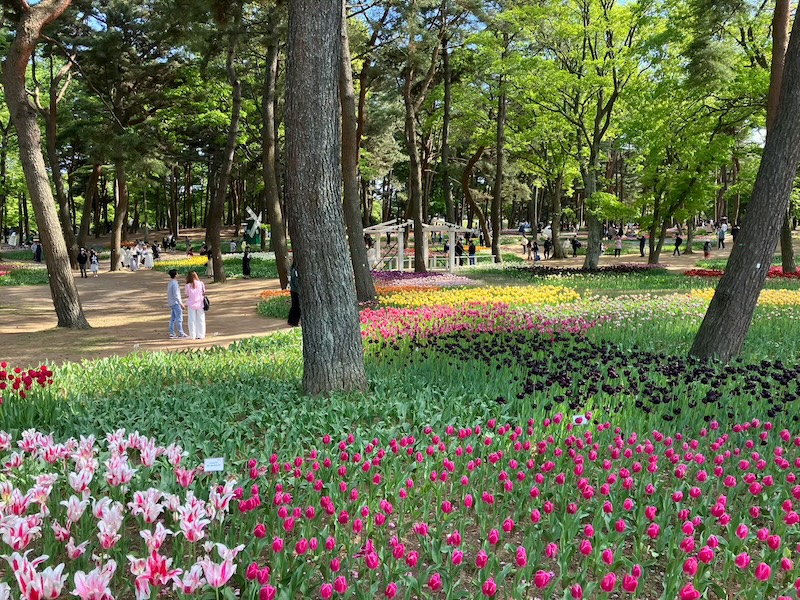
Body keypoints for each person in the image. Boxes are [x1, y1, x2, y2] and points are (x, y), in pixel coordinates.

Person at [185, 271, 206, 340]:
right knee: (201, 319)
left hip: (191, 304)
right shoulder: (201, 283)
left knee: (192, 320)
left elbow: (187, 294)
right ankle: (201, 334)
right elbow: (204, 292)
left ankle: (193, 335)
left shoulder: (187, 285)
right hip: (200, 303)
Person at [167, 269, 188, 339]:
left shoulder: (170, 283)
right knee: (179, 318)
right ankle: (181, 333)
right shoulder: (175, 283)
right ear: (175, 275)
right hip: (176, 303)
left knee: (173, 318)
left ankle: (172, 333)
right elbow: (176, 295)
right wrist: (181, 303)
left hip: (171, 302)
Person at [288, 260, 301, 327]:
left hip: (293, 289)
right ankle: (294, 322)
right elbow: (296, 280)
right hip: (296, 290)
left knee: (294, 306)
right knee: (297, 306)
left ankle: (291, 321)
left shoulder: (292, 268)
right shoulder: (295, 269)